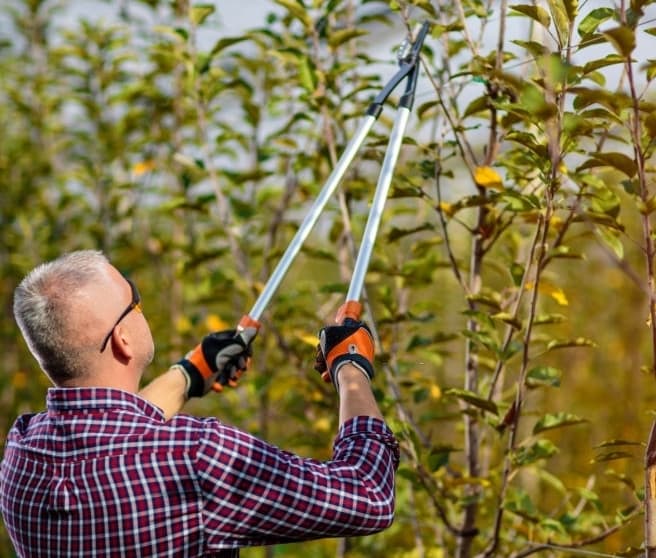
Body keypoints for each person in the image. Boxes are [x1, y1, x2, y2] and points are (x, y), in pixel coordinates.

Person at [0, 250, 399, 557]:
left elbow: (113, 435)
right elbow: (368, 496)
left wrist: (190, 373)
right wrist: (350, 369)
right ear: (122, 339)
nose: (141, 305)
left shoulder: (21, 454)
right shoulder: (196, 457)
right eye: (134, 300)